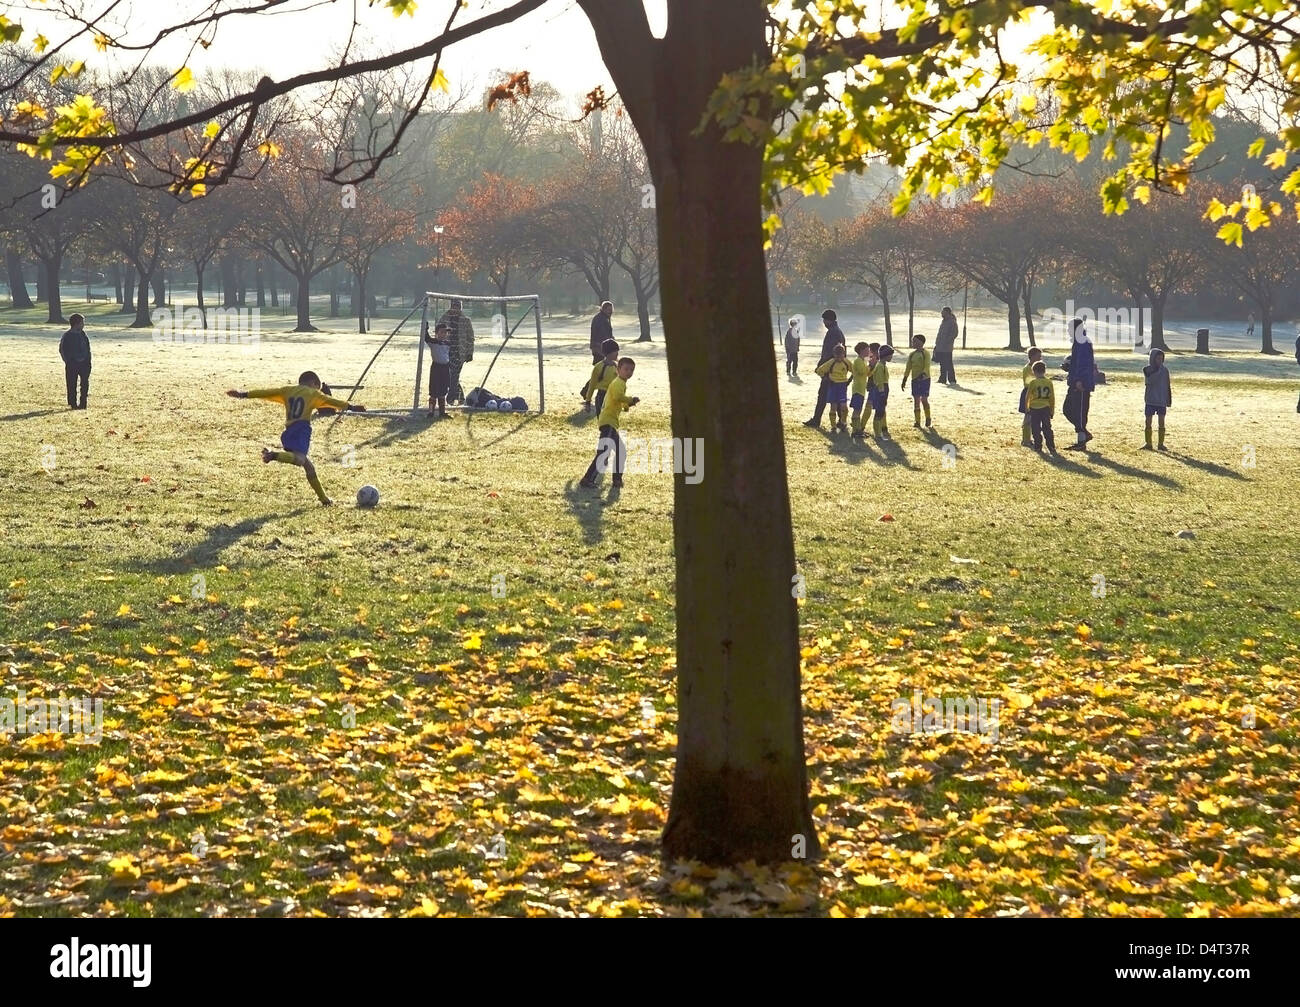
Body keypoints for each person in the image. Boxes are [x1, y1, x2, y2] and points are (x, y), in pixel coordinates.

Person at [226, 371, 365, 506]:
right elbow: (331, 401)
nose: (319, 391)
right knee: (300, 459)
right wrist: (351, 407)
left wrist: (243, 394)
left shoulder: (287, 390)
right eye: (319, 388)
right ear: (313, 383)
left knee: (309, 467)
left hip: (289, 432)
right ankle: (272, 455)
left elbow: (266, 392)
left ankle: (324, 500)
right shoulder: (313, 393)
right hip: (302, 429)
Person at [580, 357, 639, 490]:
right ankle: (588, 479)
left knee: (620, 451)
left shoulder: (621, 383)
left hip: (610, 422)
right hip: (608, 422)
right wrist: (630, 399)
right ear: (618, 370)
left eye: (631, 370)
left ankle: (616, 480)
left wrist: (627, 405)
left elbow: (617, 399)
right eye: (626, 369)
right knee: (604, 453)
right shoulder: (618, 383)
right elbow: (618, 396)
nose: (629, 372)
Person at [803, 309, 846, 428]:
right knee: (834, 397)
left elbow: (829, 353)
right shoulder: (837, 332)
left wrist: (821, 366)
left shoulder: (833, 332)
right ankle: (841, 421)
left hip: (830, 370)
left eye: (824, 320)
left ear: (829, 320)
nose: (823, 322)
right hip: (834, 370)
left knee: (823, 395)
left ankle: (817, 420)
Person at [1062, 317, 1096, 451]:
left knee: (1080, 412)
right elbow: (1077, 363)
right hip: (1074, 381)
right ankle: (1084, 434)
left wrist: (1079, 380)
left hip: (1080, 383)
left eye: (1070, 328)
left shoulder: (1083, 342)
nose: (1068, 331)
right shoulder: (1078, 342)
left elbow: (1084, 364)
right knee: (1067, 409)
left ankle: (1081, 441)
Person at [437, 299, 475, 404]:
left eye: (457, 307)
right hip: (446, 352)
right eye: (454, 306)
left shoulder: (466, 320)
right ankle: (461, 398)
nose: (455, 309)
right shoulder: (444, 318)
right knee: (449, 377)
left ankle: (450, 400)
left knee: (454, 375)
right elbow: (438, 332)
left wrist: (469, 353)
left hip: (460, 353)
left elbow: (470, 338)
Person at [814, 343, 853, 433]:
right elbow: (819, 370)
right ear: (834, 355)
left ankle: (843, 422)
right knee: (833, 407)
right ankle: (833, 426)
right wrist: (826, 378)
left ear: (844, 354)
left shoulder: (846, 362)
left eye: (841, 356)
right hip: (833, 386)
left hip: (842, 386)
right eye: (837, 356)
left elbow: (854, 370)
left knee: (844, 406)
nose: (839, 358)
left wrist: (849, 380)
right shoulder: (831, 362)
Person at [59, 312, 91, 410]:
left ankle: (83, 403)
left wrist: (88, 361)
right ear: (76, 324)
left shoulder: (83, 335)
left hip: (84, 364)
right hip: (72, 364)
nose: (83, 325)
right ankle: (73, 403)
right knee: (71, 384)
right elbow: (62, 350)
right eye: (82, 323)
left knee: (84, 383)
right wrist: (68, 361)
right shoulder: (67, 336)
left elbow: (87, 348)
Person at [1142, 348, 1171, 451]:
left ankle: (1160, 444)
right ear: (1152, 359)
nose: (1160, 360)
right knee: (1148, 421)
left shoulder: (1165, 370)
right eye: (1157, 358)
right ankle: (1148, 443)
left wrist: (1168, 400)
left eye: (1161, 358)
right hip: (1150, 400)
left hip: (1161, 400)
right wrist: (1157, 371)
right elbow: (1150, 381)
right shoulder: (1147, 369)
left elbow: (1167, 385)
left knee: (1161, 422)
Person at [1024, 360, 1057, 454]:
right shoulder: (1049, 382)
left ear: (1033, 371)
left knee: (1035, 428)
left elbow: (1028, 396)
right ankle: (1051, 446)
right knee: (1047, 427)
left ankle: (1038, 446)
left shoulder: (1033, 383)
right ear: (1044, 371)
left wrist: (1027, 408)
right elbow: (1052, 397)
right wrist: (1052, 410)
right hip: (1046, 408)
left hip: (1034, 409)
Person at [901, 333, 932, 428]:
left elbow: (927, 365)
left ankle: (928, 417)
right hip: (915, 380)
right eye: (912, 341)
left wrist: (923, 374)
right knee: (916, 400)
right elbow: (908, 367)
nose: (913, 343)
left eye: (915, 341)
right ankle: (917, 421)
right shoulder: (912, 355)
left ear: (921, 342)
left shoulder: (925, 353)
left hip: (924, 380)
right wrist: (905, 379)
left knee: (924, 399)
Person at [583, 338, 620, 415]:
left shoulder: (618, 367)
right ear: (608, 353)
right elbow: (592, 385)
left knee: (612, 422)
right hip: (602, 397)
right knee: (603, 421)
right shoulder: (598, 367)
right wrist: (588, 402)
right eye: (615, 351)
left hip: (614, 397)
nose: (617, 354)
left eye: (618, 351)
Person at [424, 321, 452, 419]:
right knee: (434, 390)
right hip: (436, 368)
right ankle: (431, 411)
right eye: (441, 332)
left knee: (443, 390)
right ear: (436, 333)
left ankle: (442, 412)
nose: (444, 334)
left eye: (445, 332)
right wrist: (425, 328)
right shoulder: (433, 342)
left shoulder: (448, 344)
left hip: (445, 368)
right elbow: (426, 338)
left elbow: (449, 356)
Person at [869, 344, 894, 440]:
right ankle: (878, 434)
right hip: (881, 390)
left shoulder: (883, 365)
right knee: (879, 412)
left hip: (883, 389)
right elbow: (879, 381)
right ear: (885, 355)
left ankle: (880, 432)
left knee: (881, 410)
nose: (891, 357)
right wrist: (882, 393)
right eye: (890, 355)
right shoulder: (880, 366)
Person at [1019, 347, 1043, 447]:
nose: (1040, 358)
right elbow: (1028, 383)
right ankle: (1026, 439)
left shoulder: (1036, 368)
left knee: (1035, 417)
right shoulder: (1027, 369)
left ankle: (1032, 437)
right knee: (1028, 417)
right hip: (1029, 394)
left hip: (1036, 394)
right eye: (1038, 356)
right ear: (1032, 357)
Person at [849, 341, 872, 440]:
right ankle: (855, 430)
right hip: (857, 389)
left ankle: (858, 429)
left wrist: (871, 367)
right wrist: (870, 366)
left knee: (859, 409)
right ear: (862, 351)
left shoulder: (863, 361)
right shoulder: (858, 361)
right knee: (857, 410)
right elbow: (863, 371)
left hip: (861, 389)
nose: (869, 352)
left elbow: (867, 374)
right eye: (867, 350)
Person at [933, 306, 958, 384]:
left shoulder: (952, 322)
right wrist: (937, 343)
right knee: (942, 363)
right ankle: (942, 379)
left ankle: (952, 380)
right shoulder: (944, 321)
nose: (941, 313)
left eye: (943, 312)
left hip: (947, 347)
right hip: (940, 346)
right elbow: (940, 334)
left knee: (948, 363)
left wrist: (946, 342)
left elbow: (954, 334)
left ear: (947, 312)